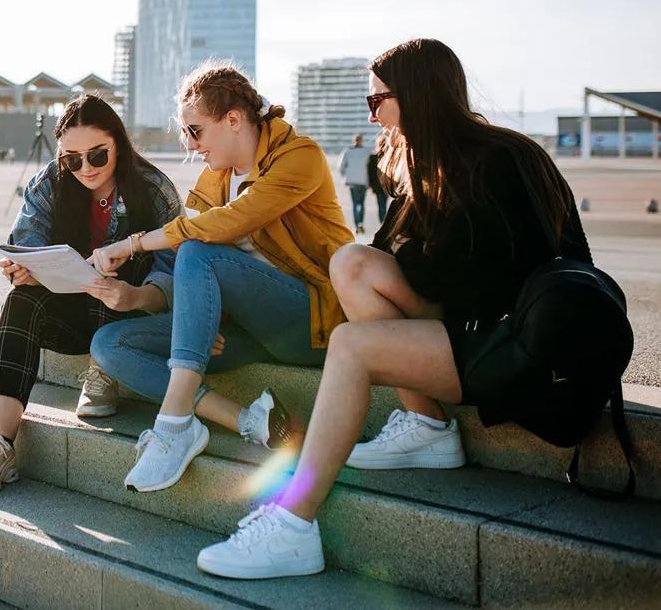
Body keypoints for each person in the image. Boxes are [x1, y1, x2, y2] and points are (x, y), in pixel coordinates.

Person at [194, 38, 592, 580]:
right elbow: (395, 259)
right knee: (352, 264)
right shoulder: (429, 164)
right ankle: (427, 426)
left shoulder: (495, 160)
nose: (373, 114)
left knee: (352, 344)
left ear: (418, 97)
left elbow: (478, 278)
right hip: (475, 328)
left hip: (515, 345)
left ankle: (292, 525)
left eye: (378, 101)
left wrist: (410, 275)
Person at [90, 62, 353, 493]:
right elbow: (183, 264)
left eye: (195, 131)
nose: (191, 147)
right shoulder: (215, 178)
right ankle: (247, 419)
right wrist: (192, 315)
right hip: (247, 329)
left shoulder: (299, 157)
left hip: (313, 322)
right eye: (184, 134)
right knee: (109, 344)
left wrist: (132, 244)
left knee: (199, 248)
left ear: (233, 120)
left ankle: (174, 426)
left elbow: (222, 227)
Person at [0, 94, 183, 492]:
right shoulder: (50, 182)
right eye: (71, 158)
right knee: (20, 301)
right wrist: (23, 271)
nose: (84, 168)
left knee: (129, 259)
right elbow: (26, 241)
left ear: (119, 143)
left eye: (97, 156)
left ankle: (104, 371)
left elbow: (172, 274)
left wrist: (135, 295)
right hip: (70, 315)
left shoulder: (152, 189)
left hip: (130, 316)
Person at [339, 134, 371, 234]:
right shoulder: (367, 152)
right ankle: (361, 223)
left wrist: (346, 175)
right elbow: (371, 166)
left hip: (352, 181)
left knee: (355, 203)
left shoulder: (347, 151)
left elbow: (341, 166)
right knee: (361, 203)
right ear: (362, 141)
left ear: (354, 141)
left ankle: (356, 225)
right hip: (363, 181)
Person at [367, 134, 390, 223]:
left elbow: (370, 173)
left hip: (377, 185)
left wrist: (370, 184)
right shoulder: (389, 156)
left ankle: (382, 222)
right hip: (387, 184)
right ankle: (384, 222)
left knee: (381, 205)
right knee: (384, 204)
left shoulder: (373, 157)